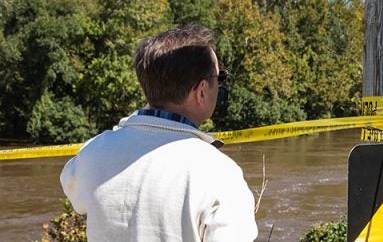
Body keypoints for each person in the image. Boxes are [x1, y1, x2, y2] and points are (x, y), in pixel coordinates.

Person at [60, 24, 258, 241]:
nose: (220, 85)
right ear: (201, 92)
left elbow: (74, 192)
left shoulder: (92, 153)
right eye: (219, 78)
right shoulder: (220, 174)